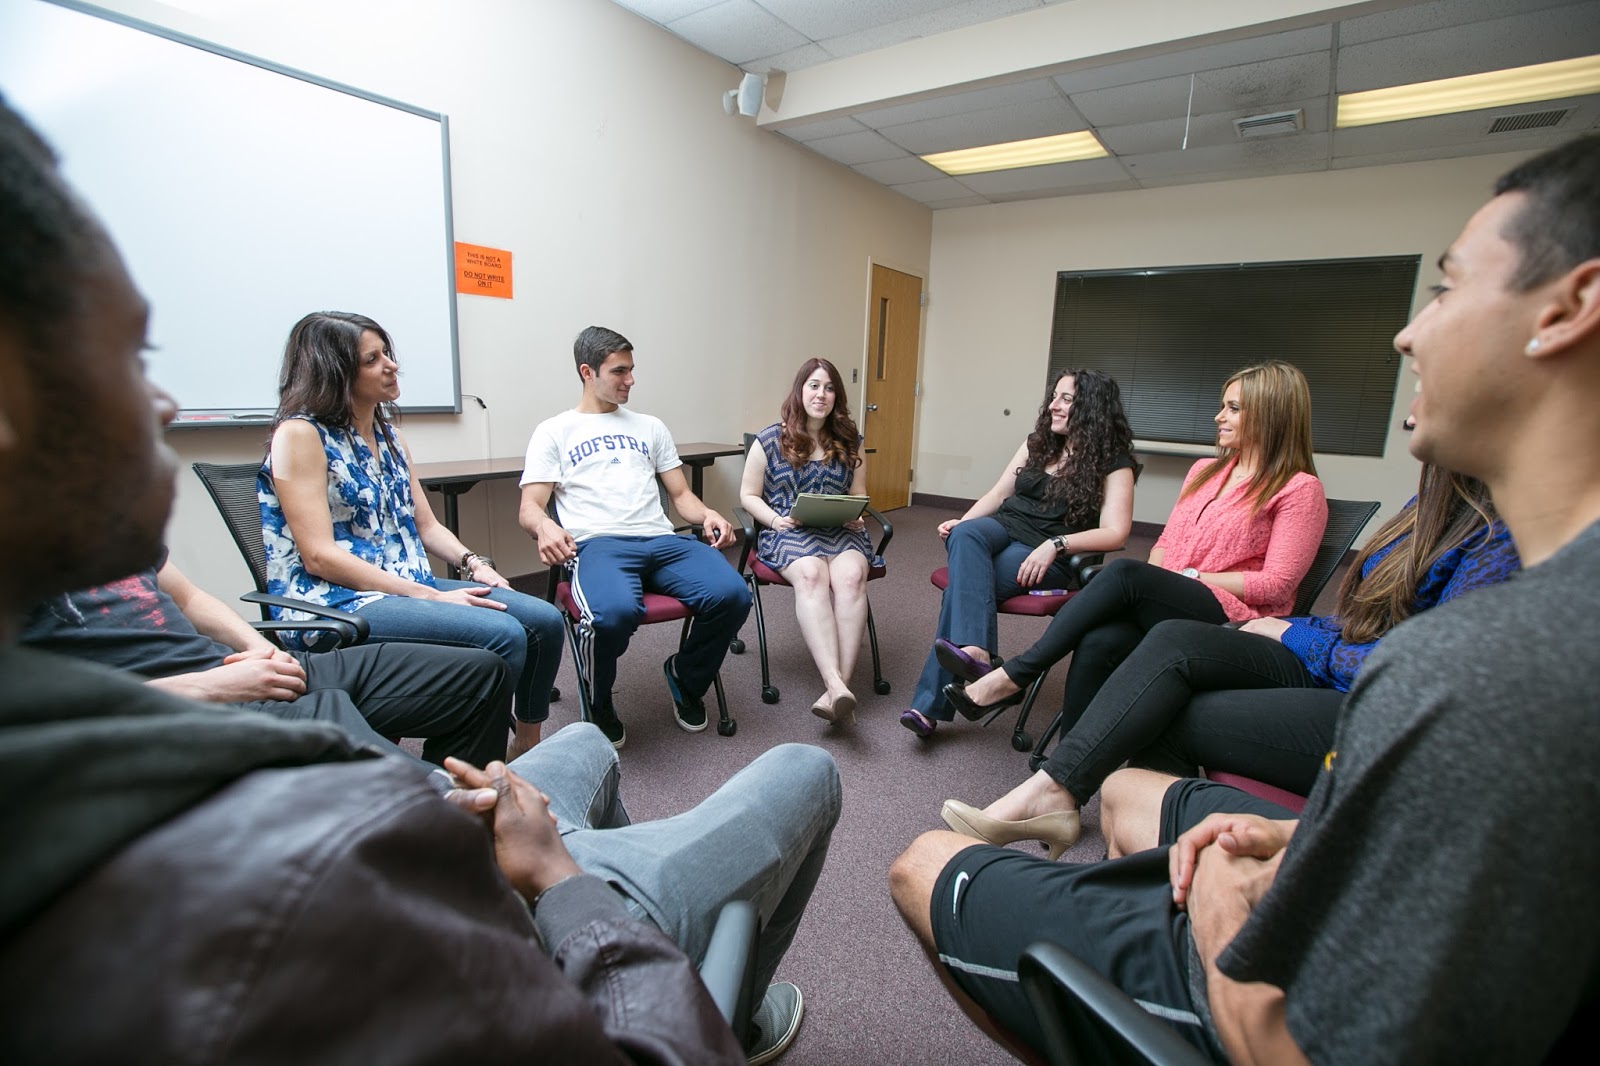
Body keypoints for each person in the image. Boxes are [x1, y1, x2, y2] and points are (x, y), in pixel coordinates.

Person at [0, 98, 836, 1065]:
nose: (162, 398)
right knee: (791, 766)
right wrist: (560, 887)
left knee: (562, 699)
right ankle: (687, 969)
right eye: (128, 355)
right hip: (462, 829)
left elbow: (413, 531)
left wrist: (469, 568)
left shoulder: (101, 649)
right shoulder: (265, 882)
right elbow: (319, 559)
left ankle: (529, 758)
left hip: (421, 802)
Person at [889, 135, 1600, 1063]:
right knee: (1133, 766)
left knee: (918, 863)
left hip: (1264, 986)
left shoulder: (1492, 670)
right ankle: (1060, 777)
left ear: (1570, 306)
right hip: (1309, 792)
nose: (1406, 334)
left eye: (1447, 290)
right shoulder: (1511, 611)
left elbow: (1323, 1037)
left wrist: (1227, 898)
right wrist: (1290, 833)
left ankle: (1014, 706)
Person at [941, 466, 1519, 857]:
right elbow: (1365, 624)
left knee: (1146, 626)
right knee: (1150, 637)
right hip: (1325, 654)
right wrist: (1302, 630)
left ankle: (1039, 735)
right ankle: (1075, 803)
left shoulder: (1502, 536)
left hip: (1375, 701)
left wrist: (1292, 633)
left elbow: (1417, 669)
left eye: (1234, 407)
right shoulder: (1432, 505)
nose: (1220, 418)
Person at [940, 361, 1328, 738]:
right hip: (1177, 593)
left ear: (1271, 416)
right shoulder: (1205, 472)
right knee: (1098, 641)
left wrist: (1187, 578)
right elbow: (1165, 544)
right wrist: (1161, 580)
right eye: (1222, 406)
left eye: (1233, 408)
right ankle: (1059, 766)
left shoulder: (1299, 490)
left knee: (1124, 573)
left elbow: (1277, 585)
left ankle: (1013, 676)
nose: (1218, 417)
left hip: (1233, 612)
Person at [259, 311, 565, 756]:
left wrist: (473, 564)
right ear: (336, 371)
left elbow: (426, 526)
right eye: (372, 359)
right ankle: (463, 770)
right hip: (332, 601)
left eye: (388, 354)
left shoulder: (390, 437)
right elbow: (319, 557)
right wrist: (432, 598)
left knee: (543, 620)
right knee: (503, 633)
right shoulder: (300, 435)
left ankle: (525, 749)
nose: (391, 365)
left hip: (404, 586)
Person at [21, 550, 514, 774]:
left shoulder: (92, 520)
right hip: (165, 706)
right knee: (336, 725)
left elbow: (191, 600)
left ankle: (448, 840)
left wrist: (260, 648)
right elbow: (31, 714)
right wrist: (210, 687)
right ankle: (460, 823)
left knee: (478, 674)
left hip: (236, 665)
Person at [519, 326, 752, 748]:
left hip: (661, 541)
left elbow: (681, 495)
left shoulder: (650, 427)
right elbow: (530, 507)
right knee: (611, 614)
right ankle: (599, 697)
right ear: (587, 372)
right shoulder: (554, 431)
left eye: (632, 370)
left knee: (733, 594)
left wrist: (708, 514)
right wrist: (545, 525)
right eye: (619, 371)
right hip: (597, 544)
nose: (630, 380)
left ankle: (686, 675)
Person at [901, 368, 1138, 737]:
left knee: (959, 591)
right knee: (965, 534)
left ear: (1091, 408)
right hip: (1005, 528)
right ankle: (979, 654)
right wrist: (960, 522)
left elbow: (1115, 532)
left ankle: (929, 707)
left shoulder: (1114, 462)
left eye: (1066, 399)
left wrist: (1056, 544)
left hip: (1049, 553)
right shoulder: (1038, 443)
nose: (1053, 406)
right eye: (1054, 396)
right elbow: (999, 495)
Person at [738, 358, 878, 723]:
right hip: (789, 530)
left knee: (850, 578)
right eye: (814, 385)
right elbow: (748, 495)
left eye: (829, 388)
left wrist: (857, 514)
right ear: (800, 390)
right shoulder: (771, 439)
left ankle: (837, 690)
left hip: (839, 530)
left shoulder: (850, 440)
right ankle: (836, 684)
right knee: (813, 575)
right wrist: (775, 519)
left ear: (837, 396)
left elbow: (859, 493)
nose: (822, 394)